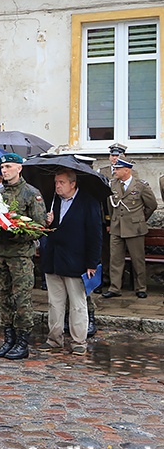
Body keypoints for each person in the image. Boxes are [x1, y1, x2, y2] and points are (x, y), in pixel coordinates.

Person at [37, 170, 102, 356]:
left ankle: (78, 340)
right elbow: (48, 231)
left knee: (77, 303)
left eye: (61, 182)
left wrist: (92, 262)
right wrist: (47, 223)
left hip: (76, 261)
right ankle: (54, 338)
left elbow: (95, 235)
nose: (57, 186)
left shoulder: (88, 203)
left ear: (73, 184)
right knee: (55, 303)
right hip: (53, 260)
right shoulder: (53, 201)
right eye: (56, 182)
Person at [0, 152, 47, 360]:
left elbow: (40, 227)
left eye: (9, 167)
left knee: (21, 298)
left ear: (19, 168)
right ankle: (8, 338)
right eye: (2, 168)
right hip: (0, 254)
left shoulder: (31, 194)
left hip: (20, 256)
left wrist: (18, 232)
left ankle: (23, 341)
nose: (5, 171)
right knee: (3, 298)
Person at [102, 158, 157, 299]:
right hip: (117, 227)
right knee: (115, 259)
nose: (115, 171)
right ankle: (115, 288)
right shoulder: (112, 184)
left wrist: (140, 219)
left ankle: (141, 287)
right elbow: (110, 205)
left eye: (118, 169)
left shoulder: (140, 185)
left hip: (134, 228)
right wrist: (112, 221)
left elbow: (152, 205)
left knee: (137, 259)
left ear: (127, 170)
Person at [96, 143, 130, 291]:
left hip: (124, 219)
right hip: (105, 216)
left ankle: (119, 280)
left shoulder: (131, 173)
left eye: (118, 155)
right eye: (112, 155)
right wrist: (106, 218)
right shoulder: (102, 171)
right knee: (104, 250)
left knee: (119, 252)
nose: (114, 158)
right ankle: (104, 278)